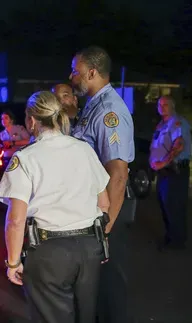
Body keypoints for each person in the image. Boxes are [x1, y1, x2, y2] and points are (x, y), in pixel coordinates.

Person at [0, 91, 110, 323]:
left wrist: (13, 262)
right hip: (89, 249)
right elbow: (104, 203)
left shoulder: (26, 158)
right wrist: (100, 242)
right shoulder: (84, 150)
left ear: (31, 120)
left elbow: (16, 220)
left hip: (50, 253)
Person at [69, 46, 135, 323]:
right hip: (96, 206)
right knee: (92, 289)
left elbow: (118, 173)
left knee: (107, 287)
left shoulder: (109, 112)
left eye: (76, 71)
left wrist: (105, 227)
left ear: (92, 73)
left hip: (109, 209)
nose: (71, 76)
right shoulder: (93, 106)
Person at [150, 95, 191, 250]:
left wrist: (163, 162)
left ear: (173, 106)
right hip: (165, 172)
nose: (162, 107)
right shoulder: (162, 124)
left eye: (166, 104)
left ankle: (177, 242)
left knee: (174, 206)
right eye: (160, 104)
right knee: (165, 204)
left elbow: (179, 145)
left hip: (175, 171)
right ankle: (171, 237)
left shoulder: (177, 123)